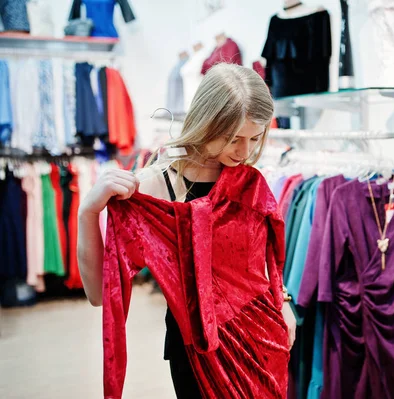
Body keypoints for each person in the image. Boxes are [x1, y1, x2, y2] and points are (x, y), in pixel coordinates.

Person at [77, 63, 296, 398]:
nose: (244, 152)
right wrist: (88, 213)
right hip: (197, 352)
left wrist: (283, 303)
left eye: (255, 138)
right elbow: (98, 294)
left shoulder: (250, 183)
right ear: (206, 122)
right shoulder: (154, 188)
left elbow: (264, 266)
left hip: (265, 339)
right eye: (234, 138)